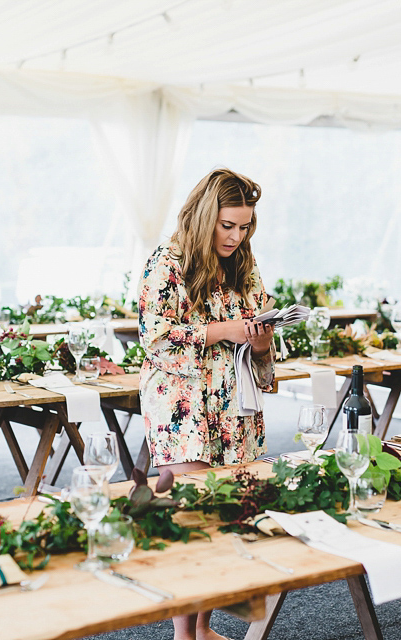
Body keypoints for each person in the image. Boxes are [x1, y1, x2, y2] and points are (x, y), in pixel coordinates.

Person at [138, 168, 274, 640]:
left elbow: (260, 335)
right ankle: (183, 635)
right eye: (228, 225)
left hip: (233, 400)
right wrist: (224, 331)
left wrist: (259, 340)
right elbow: (154, 337)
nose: (237, 236)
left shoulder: (244, 265)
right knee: (191, 516)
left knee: (223, 516)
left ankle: (204, 628)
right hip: (182, 403)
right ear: (204, 217)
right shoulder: (167, 261)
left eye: (245, 226)